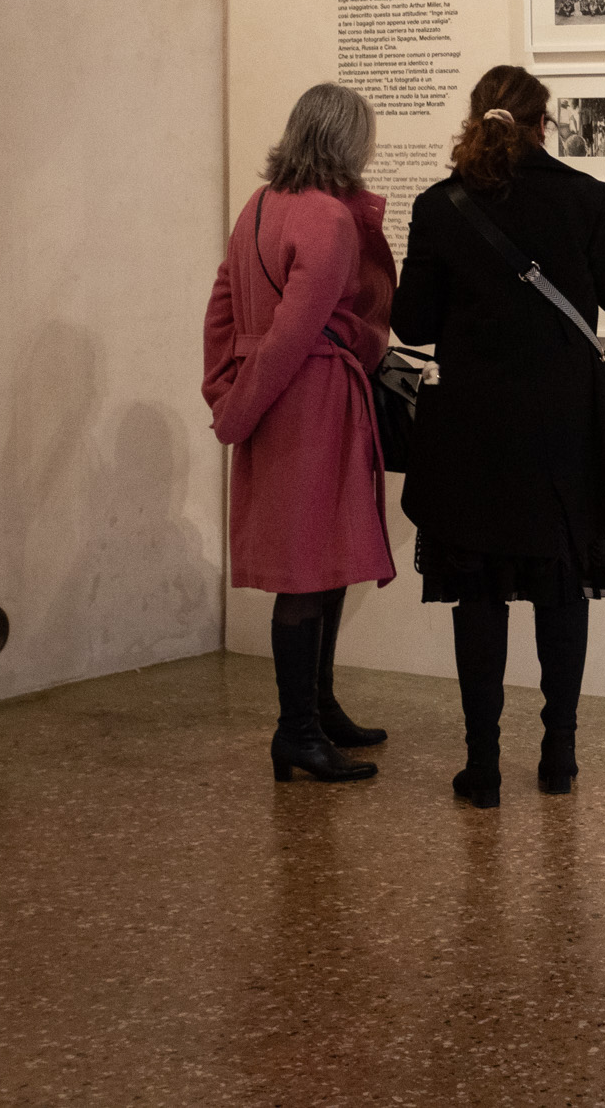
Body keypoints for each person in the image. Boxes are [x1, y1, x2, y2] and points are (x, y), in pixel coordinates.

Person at [393, 66, 605, 808]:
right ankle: (560, 755)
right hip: (562, 433)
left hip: (472, 433)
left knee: (478, 596)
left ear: (478, 121)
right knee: (561, 590)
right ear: (545, 125)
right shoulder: (584, 197)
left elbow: (412, 323)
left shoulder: (438, 206)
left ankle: (482, 768)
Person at [201, 83, 398, 785]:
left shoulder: (259, 205)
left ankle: (317, 708)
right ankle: (297, 730)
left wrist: (225, 387)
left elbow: (223, 304)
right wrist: (239, 406)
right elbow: (293, 333)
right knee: (307, 571)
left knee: (325, 558)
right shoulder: (327, 219)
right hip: (308, 402)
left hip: (278, 398)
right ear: (348, 143)